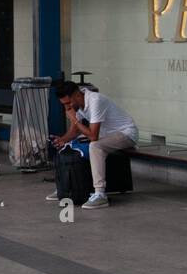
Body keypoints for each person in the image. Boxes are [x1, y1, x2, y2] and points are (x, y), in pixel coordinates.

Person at [47, 81, 139, 209]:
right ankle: (67, 188)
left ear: (77, 96)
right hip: (106, 135)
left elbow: (93, 136)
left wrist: (74, 119)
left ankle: (100, 194)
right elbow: (76, 130)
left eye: (68, 103)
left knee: (95, 146)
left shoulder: (95, 101)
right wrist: (62, 139)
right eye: (64, 104)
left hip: (126, 134)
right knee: (71, 144)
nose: (67, 108)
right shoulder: (78, 105)